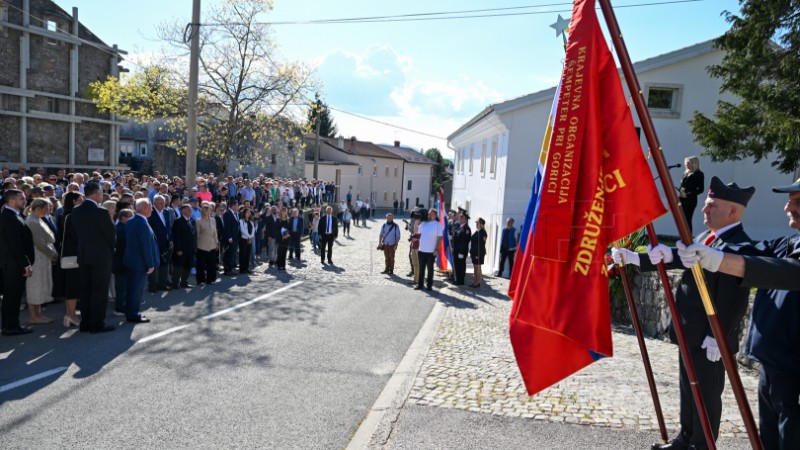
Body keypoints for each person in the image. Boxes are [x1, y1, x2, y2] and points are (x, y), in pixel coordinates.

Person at [613, 176, 756, 450]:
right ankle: (686, 438)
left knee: (707, 394)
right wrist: (638, 258)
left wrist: (719, 337)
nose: (704, 209)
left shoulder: (740, 246)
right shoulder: (705, 237)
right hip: (690, 331)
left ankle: (702, 445)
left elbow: (734, 300)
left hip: (710, 340)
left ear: (733, 211)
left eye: (712, 205)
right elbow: (678, 257)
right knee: (689, 389)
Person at [676, 177, 800, 450]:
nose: (787, 207)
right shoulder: (789, 243)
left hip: (794, 364)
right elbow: (753, 251)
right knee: (769, 437)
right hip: (773, 360)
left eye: (797, 200)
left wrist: (719, 260)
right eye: (790, 199)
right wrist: (703, 253)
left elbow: (784, 273)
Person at [71, 182, 116, 333]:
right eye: (101, 193)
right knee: (99, 291)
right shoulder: (101, 212)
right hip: (101, 257)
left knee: (85, 290)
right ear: (96, 194)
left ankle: (85, 323)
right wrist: (111, 250)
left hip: (84, 255)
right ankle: (96, 324)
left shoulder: (76, 211)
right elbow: (111, 236)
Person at [0, 190, 34, 336]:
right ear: (12, 201)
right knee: (12, 296)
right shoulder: (9, 217)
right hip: (13, 264)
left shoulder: (13, 215)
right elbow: (15, 244)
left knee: (13, 296)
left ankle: (11, 324)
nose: (25, 201)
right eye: (22, 199)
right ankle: (10, 326)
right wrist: (25, 264)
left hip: (14, 263)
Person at [123, 199, 159, 324]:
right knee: (136, 290)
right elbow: (146, 246)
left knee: (132, 288)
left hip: (131, 260)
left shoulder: (131, 221)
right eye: (150, 207)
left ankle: (130, 312)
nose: (152, 209)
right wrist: (150, 264)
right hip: (140, 262)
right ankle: (133, 314)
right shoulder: (142, 223)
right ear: (144, 208)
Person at [25, 199, 58, 324]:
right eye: (47, 208)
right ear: (39, 208)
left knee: (39, 284)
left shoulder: (37, 219)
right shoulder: (32, 221)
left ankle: (38, 314)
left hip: (42, 256)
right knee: (35, 285)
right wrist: (53, 255)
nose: (49, 210)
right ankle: (33, 315)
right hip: (37, 256)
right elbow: (39, 243)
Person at [58, 192, 82, 328]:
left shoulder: (67, 215)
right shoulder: (70, 217)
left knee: (72, 286)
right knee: (72, 286)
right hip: (72, 254)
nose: (82, 201)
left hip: (72, 253)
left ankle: (70, 314)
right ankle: (70, 315)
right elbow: (73, 236)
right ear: (73, 201)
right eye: (80, 199)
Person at [147, 195, 174, 292]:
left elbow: (169, 228)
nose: (163, 204)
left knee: (165, 263)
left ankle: (162, 283)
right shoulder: (151, 213)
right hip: (155, 243)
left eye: (164, 202)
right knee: (155, 264)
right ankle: (153, 285)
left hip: (166, 242)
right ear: (154, 203)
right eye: (160, 203)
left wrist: (170, 239)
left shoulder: (166, 212)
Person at [416, 209, 443, 291]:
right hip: (421, 250)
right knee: (421, 269)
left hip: (431, 251)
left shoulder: (438, 224)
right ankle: (420, 285)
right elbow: (417, 232)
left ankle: (429, 285)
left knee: (430, 269)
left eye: (431, 214)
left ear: (435, 215)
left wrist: (436, 249)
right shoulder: (424, 223)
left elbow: (440, 238)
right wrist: (418, 221)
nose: (429, 215)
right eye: (429, 214)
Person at [113, 208, 134, 316]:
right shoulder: (120, 229)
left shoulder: (125, 228)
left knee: (125, 286)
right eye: (130, 216)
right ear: (123, 217)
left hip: (125, 262)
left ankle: (123, 305)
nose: (132, 218)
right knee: (121, 286)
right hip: (121, 263)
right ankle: (119, 308)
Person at [678, 156, 705, 234]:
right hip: (681, 198)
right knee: (681, 220)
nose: (686, 164)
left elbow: (700, 189)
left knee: (687, 220)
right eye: (686, 163)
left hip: (690, 201)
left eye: (688, 163)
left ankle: (688, 239)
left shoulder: (699, 174)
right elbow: (683, 186)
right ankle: (682, 238)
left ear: (694, 163)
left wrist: (688, 195)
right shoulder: (686, 173)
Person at [171, 204, 196, 288]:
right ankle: (175, 283)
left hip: (190, 249)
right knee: (178, 267)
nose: (190, 211)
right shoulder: (178, 221)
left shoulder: (192, 220)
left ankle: (184, 282)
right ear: (183, 211)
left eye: (191, 210)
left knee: (187, 267)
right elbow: (176, 236)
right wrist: (178, 249)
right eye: (189, 210)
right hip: (181, 249)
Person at [196, 203, 219, 285]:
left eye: (209, 210)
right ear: (203, 211)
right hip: (202, 245)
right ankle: (201, 280)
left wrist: (216, 243)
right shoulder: (198, 221)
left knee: (212, 263)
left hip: (212, 244)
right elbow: (197, 234)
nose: (209, 211)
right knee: (201, 264)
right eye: (207, 210)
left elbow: (215, 232)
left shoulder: (213, 220)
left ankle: (211, 279)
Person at [451, 212, 471, 286]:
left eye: (461, 217)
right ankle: (457, 279)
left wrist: (461, 252)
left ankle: (461, 280)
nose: (459, 218)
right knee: (457, 265)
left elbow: (465, 241)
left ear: (465, 219)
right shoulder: (460, 226)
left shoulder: (466, 229)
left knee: (461, 266)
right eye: (459, 217)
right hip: (456, 250)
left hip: (461, 251)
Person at [222, 199, 241, 275]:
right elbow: (227, 227)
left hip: (236, 237)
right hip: (230, 238)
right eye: (237, 205)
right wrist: (229, 237)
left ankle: (230, 268)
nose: (237, 207)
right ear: (233, 206)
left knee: (233, 253)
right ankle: (227, 270)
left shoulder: (236, 213)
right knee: (228, 254)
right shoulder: (227, 213)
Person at [469, 217, 487, 288]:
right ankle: (475, 281)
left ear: (481, 224)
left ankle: (478, 282)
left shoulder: (483, 233)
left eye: (478, 223)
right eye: (476, 223)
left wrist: (478, 254)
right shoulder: (477, 231)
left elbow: (481, 245)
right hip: (474, 253)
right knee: (475, 268)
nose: (476, 224)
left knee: (478, 268)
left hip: (478, 254)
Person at [238, 207, 255, 274]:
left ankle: (246, 268)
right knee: (243, 254)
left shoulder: (251, 222)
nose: (249, 213)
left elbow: (253, 230)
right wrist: (249, 236)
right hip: (243, 239)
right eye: (247, 212)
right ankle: (242, 269)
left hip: (249, 240)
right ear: (244, 213)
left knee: (248, 254)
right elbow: (242, 230)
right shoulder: (241, 221)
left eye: (249, 212)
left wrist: (251, 237)